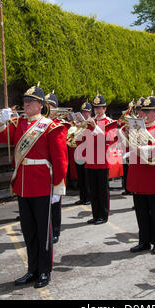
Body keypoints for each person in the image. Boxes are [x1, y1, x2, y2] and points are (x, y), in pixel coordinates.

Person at [0, 85, 68, 288]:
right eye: (25, 101)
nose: (26, 104)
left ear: (40, 105)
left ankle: (45, 271)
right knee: (28, 231)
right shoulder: (18, 123)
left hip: (43, 184)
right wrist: (1, 120)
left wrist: (57, 188)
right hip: (23, 185)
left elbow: (60, 159)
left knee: (44, 233)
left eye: (31, 101)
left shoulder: (51, 126)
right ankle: (32, 269)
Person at [119, 95, 155, 255]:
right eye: (143, 111)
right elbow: (125, 147)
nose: (145, 114)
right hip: (138, 173)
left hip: (154, 173)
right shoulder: (136, 127)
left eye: (149, 111)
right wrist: (127, 135)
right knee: (141, 211)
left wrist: (142, 148)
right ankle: (144, 241)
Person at [77, 93, 118, 225]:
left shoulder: (110, 123)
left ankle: (103, 215)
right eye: (95, 108)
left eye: (100, 108)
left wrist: (94, 127)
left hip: (102, 160)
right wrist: (80, 129)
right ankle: (95, 215)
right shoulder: (90, 122)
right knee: (93, 190)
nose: (97, 111)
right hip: (90, 160)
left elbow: (109, 138)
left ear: (105, 109)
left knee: (102, 191)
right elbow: (83, 140)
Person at [46, 91, 71, 244]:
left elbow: (61, 156)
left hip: (55, 168)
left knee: (55, 204)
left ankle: (55, 230)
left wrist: (59, 181)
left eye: (50, 107)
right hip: (42, 169)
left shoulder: (59, 125)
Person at [74, 102, 92, 204]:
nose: (85, 114)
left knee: (87, 178)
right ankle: (82, 197)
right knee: (80, 176)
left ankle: (88, 198)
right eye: (83, 112)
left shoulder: (91, 123)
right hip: (79, 152)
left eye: (87, 112)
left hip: (88, 153)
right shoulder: (79, 124)